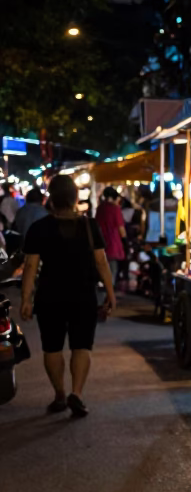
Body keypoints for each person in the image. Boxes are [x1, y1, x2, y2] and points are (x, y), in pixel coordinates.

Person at [20, 175, 116, 418]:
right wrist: (111, 292)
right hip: (83, 296)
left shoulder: (39, 228)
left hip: (49, 296)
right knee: (81, 346)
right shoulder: (89, 226)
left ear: (51, 200)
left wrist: (26, 299)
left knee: (52, 347)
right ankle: (77, 393)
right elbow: (101, 261)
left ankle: (60, 395)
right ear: (75, 198)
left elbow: (30, 266)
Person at [95, 187, 127, 290]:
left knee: (102, 267)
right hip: (113, 242)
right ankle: (110, 292)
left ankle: (104, 288)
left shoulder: (100, 208)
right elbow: (121, 228)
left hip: (100, 241)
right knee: (112, 268)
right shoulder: (115, 209)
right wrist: (125, 240)